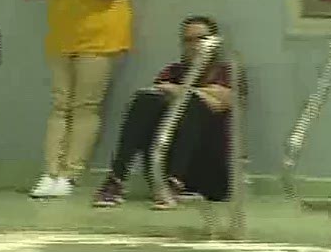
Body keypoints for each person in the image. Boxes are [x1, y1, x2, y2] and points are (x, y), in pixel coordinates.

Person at [28, 0, 135, 199]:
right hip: (62, 34)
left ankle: (71, 174)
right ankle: (50, 172)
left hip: (101, 35)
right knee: (59, 105)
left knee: (85, 106)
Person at [92, 15, 237, 210]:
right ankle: (116, 179)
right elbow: (156, 96)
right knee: (145, 100)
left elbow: (225, 101)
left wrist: (184, 92)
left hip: (210, 171)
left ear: (213, 41)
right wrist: (204, 94)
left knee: (192, 103)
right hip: (165, 164)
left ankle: (175, 183)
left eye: (200, 39)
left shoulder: (228, 72)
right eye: (188, 40)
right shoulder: (173, 71)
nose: (194, 45)